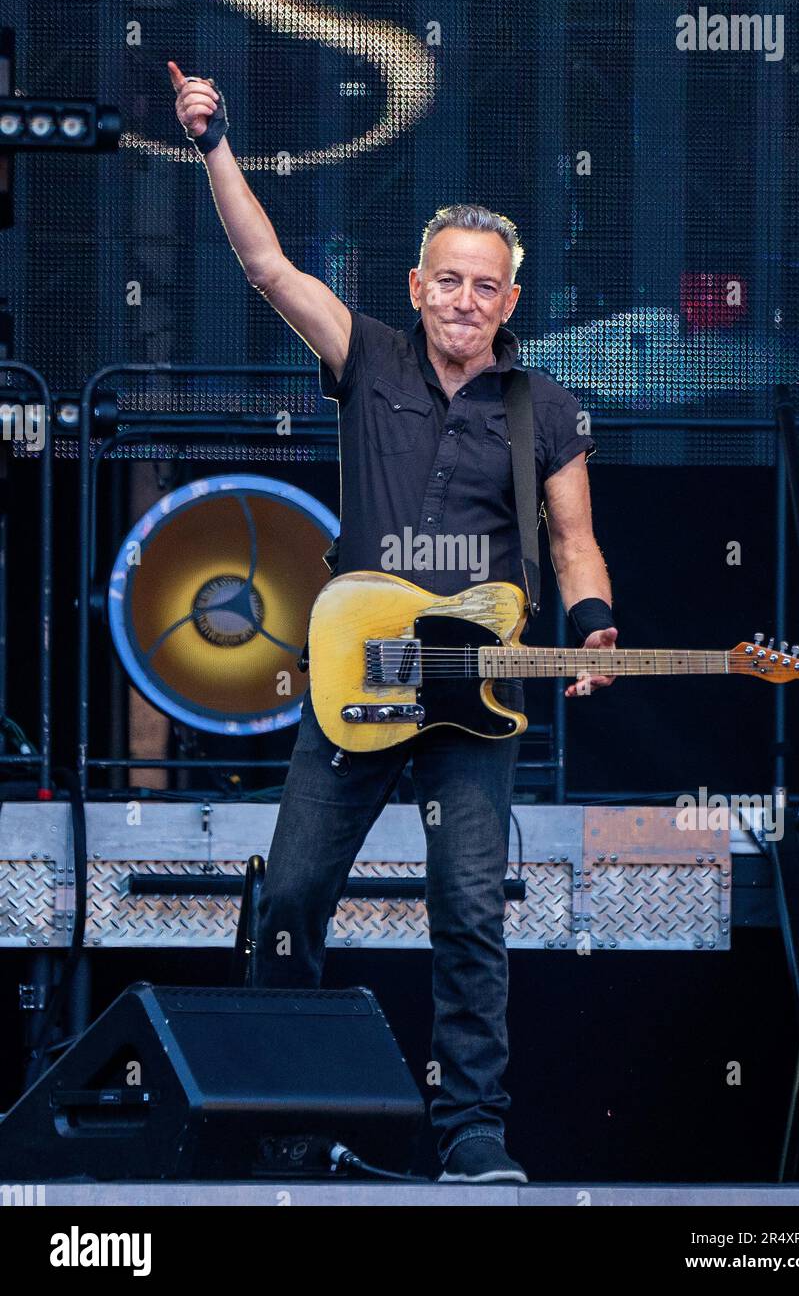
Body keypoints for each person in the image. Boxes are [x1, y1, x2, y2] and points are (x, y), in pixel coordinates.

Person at [168, 62, 618, 1183]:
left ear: (512, 301)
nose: (466, 300)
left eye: (487, 287)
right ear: (417, 286)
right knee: (292, 898)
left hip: (473, 702)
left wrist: (597, 620)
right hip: (353, 680)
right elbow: (267, 264)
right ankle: (275, 1116)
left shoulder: (544, 407)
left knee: (469, 911)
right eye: (449, 280)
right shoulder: (366, 355)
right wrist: (215, 141)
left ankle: (470, 1133)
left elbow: (571, 541)